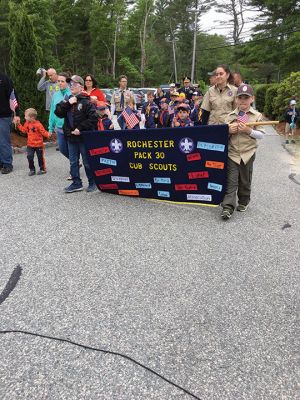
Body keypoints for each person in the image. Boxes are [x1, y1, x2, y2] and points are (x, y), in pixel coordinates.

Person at [221, 84, 265, 220]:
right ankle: (228, 206)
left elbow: (262, 134)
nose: (243, 101)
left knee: (245, 180)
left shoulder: (257, 116)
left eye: (246, 98)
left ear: (252, 99)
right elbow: (221, 134)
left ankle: (244, 201)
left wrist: (249, 131)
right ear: (236, 99)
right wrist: (227, 131)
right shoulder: (230, 116)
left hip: (248, 153)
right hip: (232, 153)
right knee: (231, 181)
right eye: (240, 98)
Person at [55, 75, 98, 193]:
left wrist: (80, 128)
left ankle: (92, 182)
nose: (71, 86)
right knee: (73, 161)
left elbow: (93, 118)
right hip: (71, 137)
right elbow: (57, 112)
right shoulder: (67, 99)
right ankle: (76, 183)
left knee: (87, 162)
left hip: (83, 137)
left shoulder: (86, 101)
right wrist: (68, 103)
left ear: (81, 86)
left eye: (74, 84)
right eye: (70, 84)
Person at [17, 108, 51, 175]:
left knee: (40, 157)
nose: (24, 117)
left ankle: (42, 169)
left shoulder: (38, 124)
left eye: (26, 116)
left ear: (32, 117)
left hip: (39, 145)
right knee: (29, 156)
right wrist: (18, 124)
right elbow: (24, 130)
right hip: (30, 145)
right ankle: (32, 169)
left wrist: (48, 134)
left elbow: (43, 132)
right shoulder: (27, 123)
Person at [48, 72, 71, 160]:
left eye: (62, 81)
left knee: (72, 149)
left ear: (67, 82)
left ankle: (74, 168)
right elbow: (52, 112)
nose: (60, 83)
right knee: (62, 149)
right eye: (58, 81)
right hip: (59, 128)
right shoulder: (55, 94)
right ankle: (74, 162)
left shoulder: (71, 94)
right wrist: (50, 127)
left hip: (70, 128)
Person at [0, 72, 20, 174]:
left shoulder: (4, 78)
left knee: (3, 141)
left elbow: (13, 96)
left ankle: (7, 164)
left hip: (3, 116)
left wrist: (17, 114)